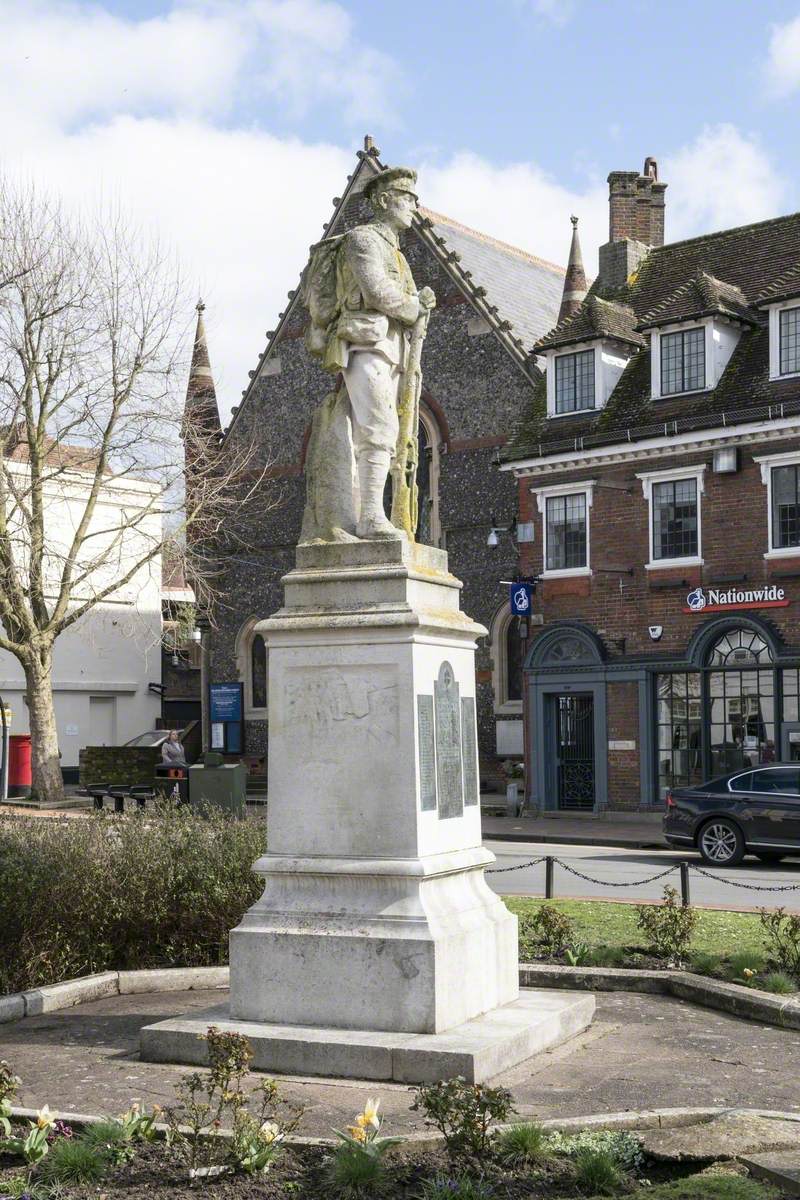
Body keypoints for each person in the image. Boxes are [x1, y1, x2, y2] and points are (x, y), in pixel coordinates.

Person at [303, 166, 436, 541]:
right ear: (383, 200)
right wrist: (414, 306)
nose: (414, 205)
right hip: (366, 342)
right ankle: (371, 518)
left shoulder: (397, 254)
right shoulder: (364, 240)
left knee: (386, 429)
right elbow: (378, 292)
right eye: (406, 197)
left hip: (391, 348)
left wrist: (418, 304)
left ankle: (371, 515)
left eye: (414, 198)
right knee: (378, 428)